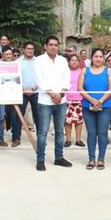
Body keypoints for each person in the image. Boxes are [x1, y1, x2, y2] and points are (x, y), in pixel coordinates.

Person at [34, 36, 72, 171]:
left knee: (59, 131)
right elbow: (39, 80)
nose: (53, 47)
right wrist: (52, 94)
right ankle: (40, 159)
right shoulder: (38, 60)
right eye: (50, 44)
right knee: (43, 131)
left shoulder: (62, 60)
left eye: (56, 45)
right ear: (45, 46)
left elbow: (67, 78)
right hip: (45, 100)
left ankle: (59, 158)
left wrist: (60, 94)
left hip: (61, 100)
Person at [78, 48, 111, 170]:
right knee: (91, 133)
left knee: (102, 133)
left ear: (103, 58)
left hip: (105, 106)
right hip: (87, 106)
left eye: (100, 56)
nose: (98, 59)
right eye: (96, 56)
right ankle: (91, 158)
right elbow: (80, 88)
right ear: (92, 58)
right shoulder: (84, 70)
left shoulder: (108, 71)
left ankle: (101, 159)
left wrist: (100, 101)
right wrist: (92, 100)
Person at [64, 54, 85, 148]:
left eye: (76, 60)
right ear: (69, 62)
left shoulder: (82, 72)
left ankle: (78, 140)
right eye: (72, 60)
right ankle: (68, 140)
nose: (74, 62)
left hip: (79, 98)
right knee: (68, 120)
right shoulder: (65, 72)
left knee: (78, 120)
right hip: (67, 99)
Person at [18, 41, 39, 137]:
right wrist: (24, 88)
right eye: (28, 48)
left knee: (38, 116)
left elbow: (42, 76)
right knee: (18, 116)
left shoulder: (39, 61)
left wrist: (34, 88)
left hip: (36, 92)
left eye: (32, 49)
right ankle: (16, 138)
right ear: (24, 49)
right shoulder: (17, 62)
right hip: (22, 92)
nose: (30, 50)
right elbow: (16, 77)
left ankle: (40, 138)